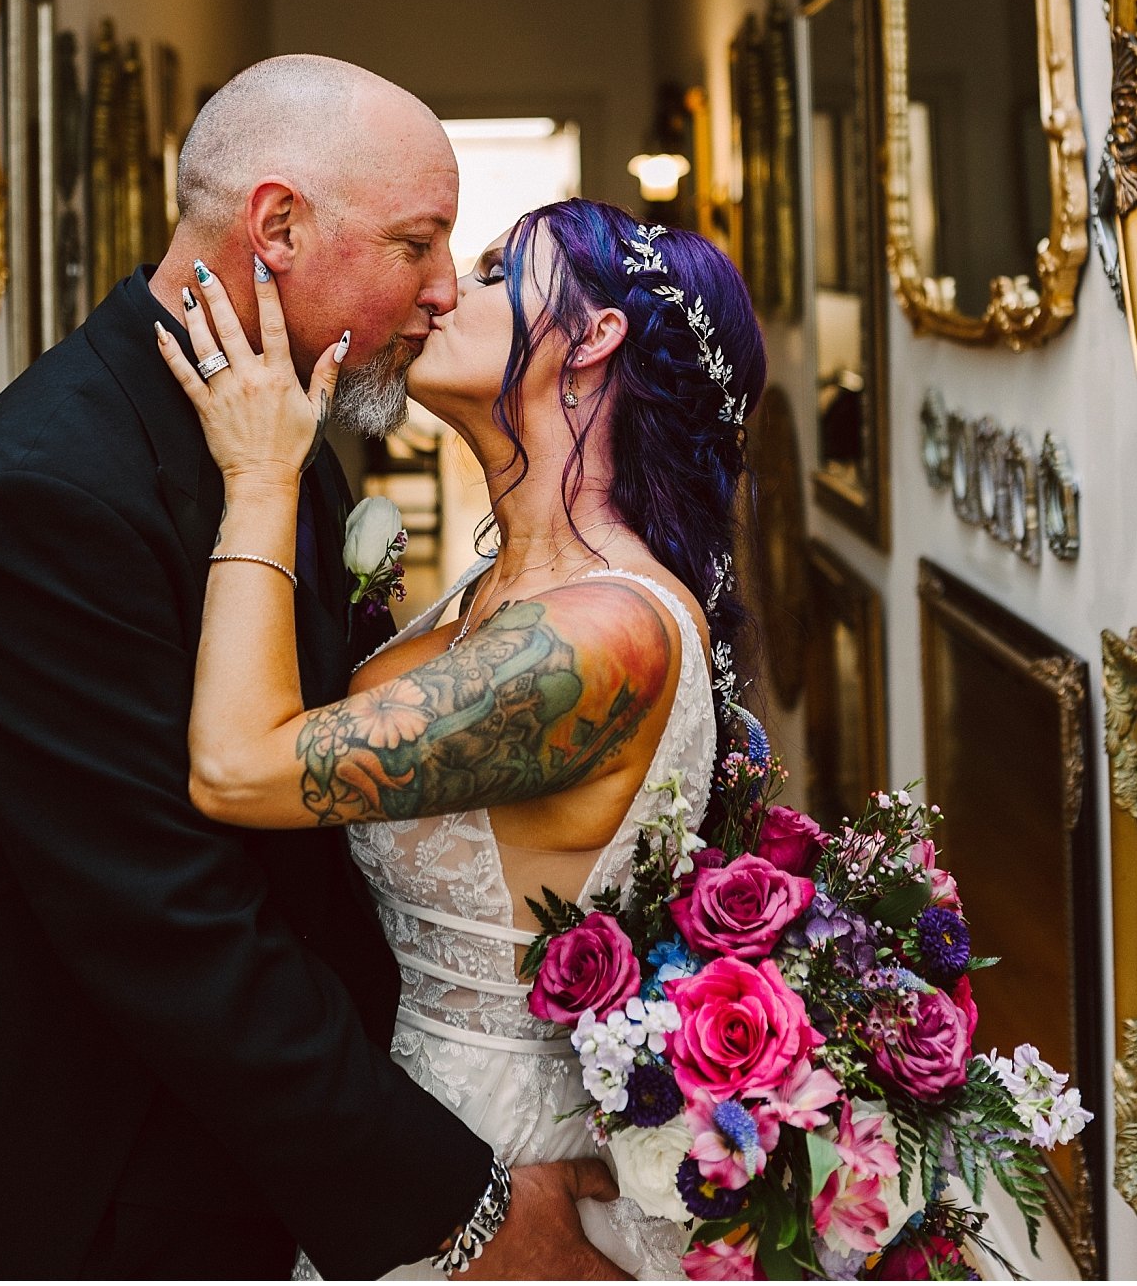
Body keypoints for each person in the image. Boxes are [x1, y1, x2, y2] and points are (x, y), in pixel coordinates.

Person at [0, 55, 621, 1282]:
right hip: (129, 1184)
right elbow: (171, 924)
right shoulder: (44, 493)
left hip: (288, 1140)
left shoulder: (289, 418)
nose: (442, 289)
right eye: (417, 242)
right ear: (276, 228)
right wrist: (461, 1214)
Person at [155, 196, 768, 1278]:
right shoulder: (498, 591)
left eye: (492, 272)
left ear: (592, 338)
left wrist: (259, 478)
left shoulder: (602, 636)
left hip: (506, 1165)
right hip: (411, 1130)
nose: (442, 293)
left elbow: (239, 768)